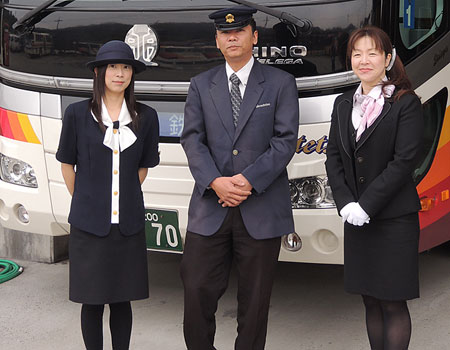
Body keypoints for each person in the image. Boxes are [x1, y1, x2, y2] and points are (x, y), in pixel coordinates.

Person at [180, 6, 299, 350]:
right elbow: (192, 139)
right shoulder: (201, 86)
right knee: (196, 287)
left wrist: (246, 180)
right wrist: (215, 181)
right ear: (217, 41)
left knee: (255, 300)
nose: (232, 37)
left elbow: (285, 141)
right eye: (225, 33)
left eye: (240, 31)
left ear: (254, 37)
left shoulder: (280, 83)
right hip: (211, 205)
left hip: (260, 205)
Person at [56, 40, 159, 349]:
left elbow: (142, 167)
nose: (119, 73)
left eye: (126, 67)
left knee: (121, 299)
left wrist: (121, 195)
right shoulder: (77, 114)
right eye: (113, 67)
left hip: (126, 224)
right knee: (92, 301)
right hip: (89, 225)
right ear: (99, 72)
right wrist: (90, 200)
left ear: (132, 75)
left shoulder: (146, 117)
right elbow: (67, 165)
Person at [325, 26, 423, 350]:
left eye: (372, 53)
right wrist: (344, 203)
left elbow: (404, 161)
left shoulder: (405, 103)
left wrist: (366, 205)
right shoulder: (342, 105)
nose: (363, 60)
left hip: (394, 220)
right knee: (370, 301)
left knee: (393, 302)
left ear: (388, 58)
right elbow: (333, 159)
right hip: (357, 221)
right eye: (357, 53)